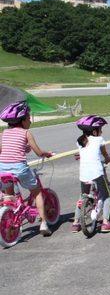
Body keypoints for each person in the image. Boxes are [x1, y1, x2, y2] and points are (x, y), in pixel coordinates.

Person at [0, 101, 54, 236]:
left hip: (3, 168)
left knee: (10, 194)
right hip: (20, 168)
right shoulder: (26, 133)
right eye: (29, 118)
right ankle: (43, 223)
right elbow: (38, 152)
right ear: (22, 120)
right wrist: (46, 154)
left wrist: (22, 148)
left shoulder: (4, 133)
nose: (30, 121)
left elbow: (2, 150)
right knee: (37, 192)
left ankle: (10, 213)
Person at [71, 115, 110, 233]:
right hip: (97, 173)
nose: (101, 131)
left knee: (83, 196)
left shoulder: (79, 141)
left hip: (83, 174)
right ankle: (106, 223)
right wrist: (107, 159)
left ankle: (76, 223)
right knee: (107, 197)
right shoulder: (99, 139)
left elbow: (86, 152)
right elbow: (105, 154)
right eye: (100, 129)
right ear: (95, 131)